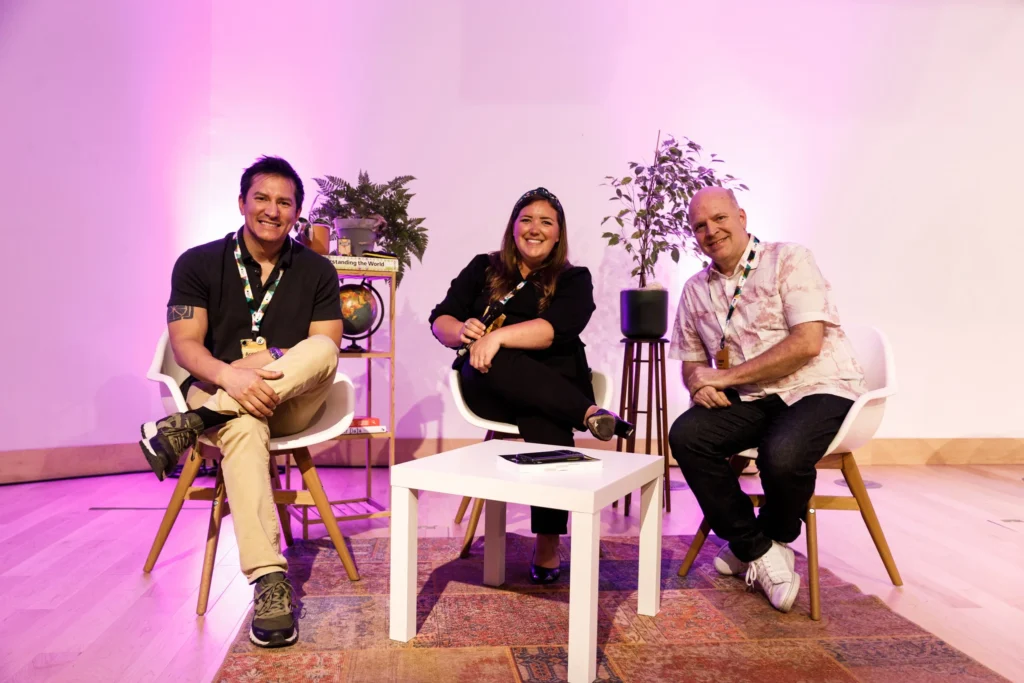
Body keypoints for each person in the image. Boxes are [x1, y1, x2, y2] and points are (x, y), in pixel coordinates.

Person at [139, 156, 344, 648]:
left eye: (285, 202)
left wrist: (265, 365)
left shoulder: (317, 269)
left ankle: (195, 422)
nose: (273, 210)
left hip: (288, 401)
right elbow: (185, 346)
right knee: (245, 427)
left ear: (297, 213)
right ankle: (269, 581)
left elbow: (326, 348)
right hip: (218, 387)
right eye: (262, 198)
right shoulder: (197, 262)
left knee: (320, 348)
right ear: (241, 203)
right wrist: (231, 376)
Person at [668, 187, 866, 613]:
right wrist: (699, 385)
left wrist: (724, 377)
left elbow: (808, 343)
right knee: (687, 435)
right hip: (753, 397)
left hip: (819, 385)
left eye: (719, 218)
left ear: (741, 217)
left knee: (783, 454)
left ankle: (771, 538)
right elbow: (692, 362)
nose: (711, 230)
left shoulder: (789, 259)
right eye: (700, 225)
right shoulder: (695, 290)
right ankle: (757, 549)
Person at [429, 187, 633, 584]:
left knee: (544, 418)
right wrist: (462, 330)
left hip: (553, 383)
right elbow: (441, 319)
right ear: (513, 227)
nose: (535, 228)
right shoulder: (483, 267)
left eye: (546, 222)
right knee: (501, 364)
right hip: (490, 384)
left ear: (558, 234)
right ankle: (589, 413)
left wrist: (498, 337)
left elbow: (557, 329)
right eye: (526, 219)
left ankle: (547, 543)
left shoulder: (574, 278)